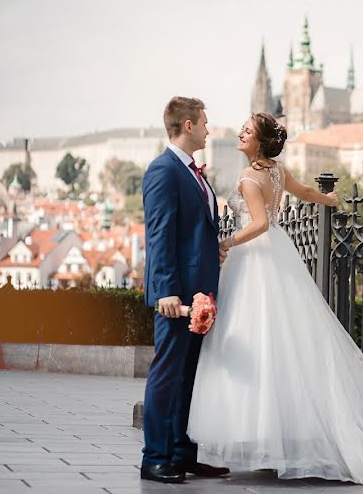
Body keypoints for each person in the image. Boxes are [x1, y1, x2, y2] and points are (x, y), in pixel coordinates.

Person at [187, 112, 363, 488]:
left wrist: (227, 242)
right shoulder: (278, 172)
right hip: (278, 256)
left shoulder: (249, 178)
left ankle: (263, 431)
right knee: (286, 340)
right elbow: (305, 194)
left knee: (257, 341)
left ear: (259, 141)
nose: (240, 133)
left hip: (254, 258)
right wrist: (328, 199)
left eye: (247, 131)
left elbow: (259, 223)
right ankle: (278, 431)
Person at [140, 97, 230, 484]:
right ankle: (155, 457)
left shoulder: (193, 172)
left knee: (189, 375)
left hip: (199, 294)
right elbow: (159, 234)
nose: (210, 129)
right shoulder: (164, 171)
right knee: (167, 374)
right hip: (176, 296)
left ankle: (182, 453)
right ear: (188, 125)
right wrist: (165, 291)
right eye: (206, 123)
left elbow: (195, 231)